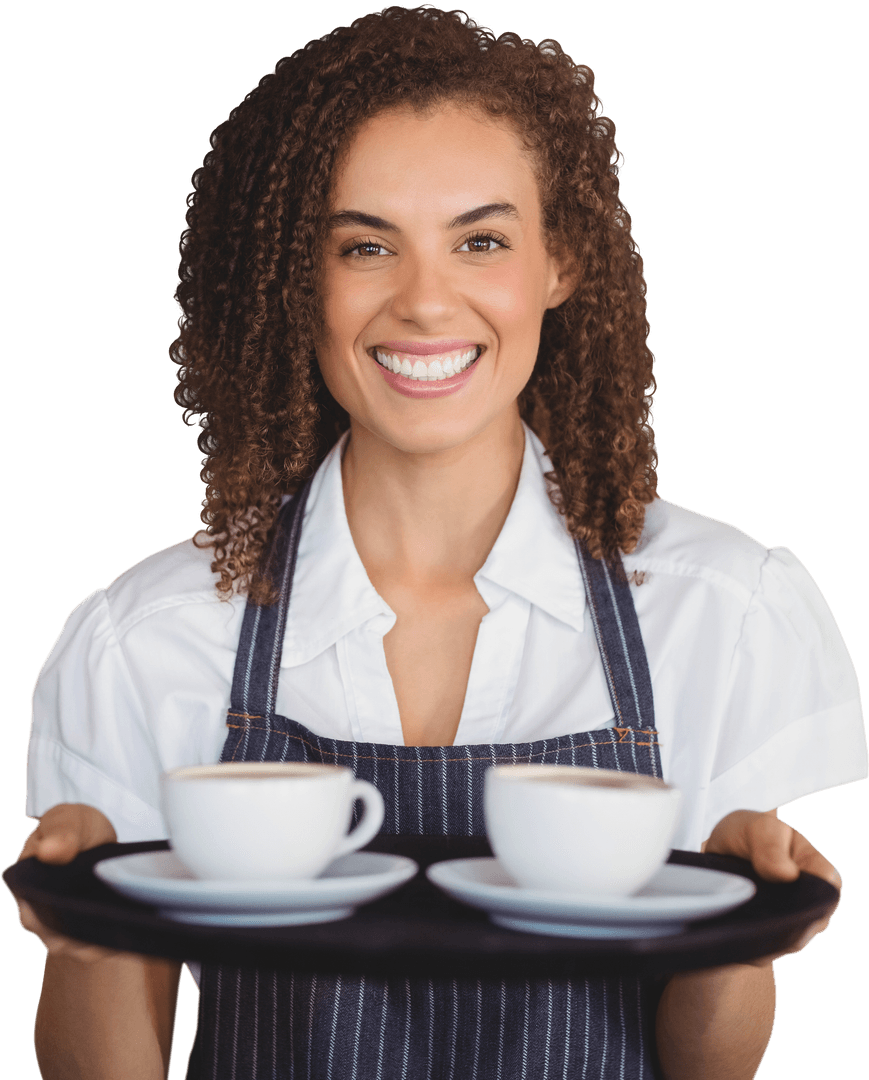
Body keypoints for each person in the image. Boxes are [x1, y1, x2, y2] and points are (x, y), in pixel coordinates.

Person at [11, 5, 867, 1079]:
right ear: (296, 283)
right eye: (364, 246)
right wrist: (86, 927)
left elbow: (706, 1068)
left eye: (480, 241)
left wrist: (742, 938)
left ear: (560, 264)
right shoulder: (144, 640)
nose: (423, 301)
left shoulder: (714, 609)